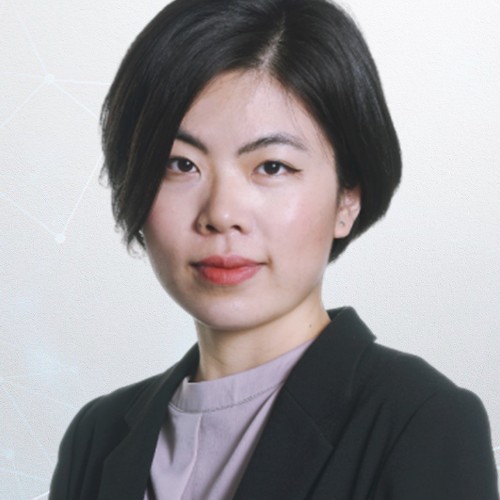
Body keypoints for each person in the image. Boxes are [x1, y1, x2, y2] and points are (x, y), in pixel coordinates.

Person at [49, 0, 499, 498]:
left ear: (348, 197)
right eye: (180, 164)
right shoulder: (97, 436)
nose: (222, 213)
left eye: (271, 167)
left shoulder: (421, 424)